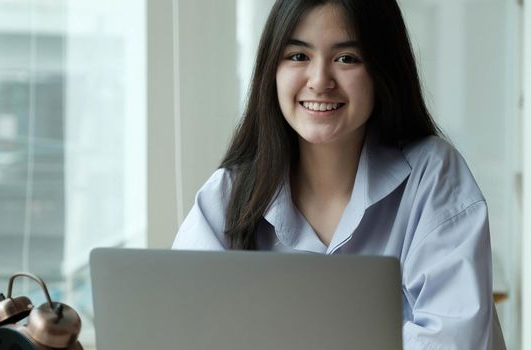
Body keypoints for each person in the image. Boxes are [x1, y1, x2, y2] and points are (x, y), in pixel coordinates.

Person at [171, 0, 505, 349]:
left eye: (346, 58)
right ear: (271, 69)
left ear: (383, 70)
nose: (319, 81)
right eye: (298, 56)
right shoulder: (228, 193)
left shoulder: (433, 177)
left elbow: (451, 340)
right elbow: (178, 325)